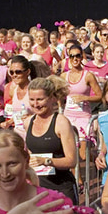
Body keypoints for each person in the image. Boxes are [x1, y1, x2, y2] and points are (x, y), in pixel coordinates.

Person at [21, 76, 80, 205]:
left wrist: (47, 161)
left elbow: (72, 160)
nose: (35, 104)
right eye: (32, 100)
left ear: (52, 98)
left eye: (40, 99)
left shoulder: (61, 122)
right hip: (38, 189)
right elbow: (32, 154)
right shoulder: (28, 122)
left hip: (61, 188)